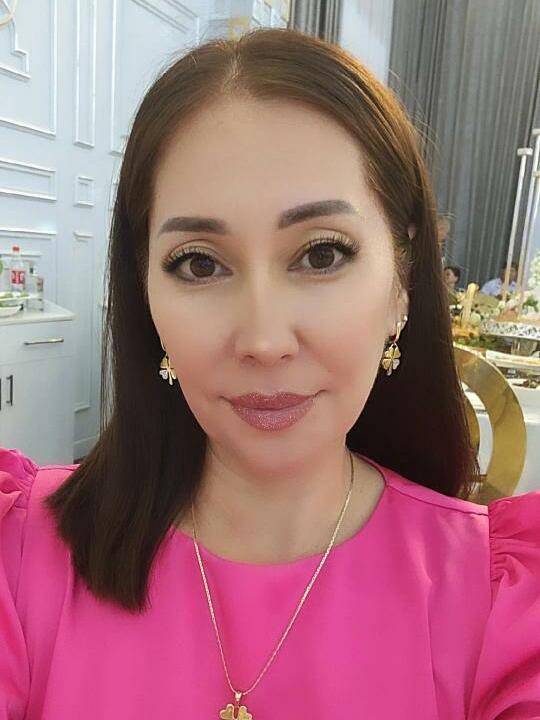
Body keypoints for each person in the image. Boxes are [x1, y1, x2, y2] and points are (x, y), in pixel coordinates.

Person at [1, 28, 539, 719]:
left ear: (402, 282)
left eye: (321, 255)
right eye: (200, 264)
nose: (262, 341)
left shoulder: (498, 609)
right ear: (145, 293)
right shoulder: (22, 558)